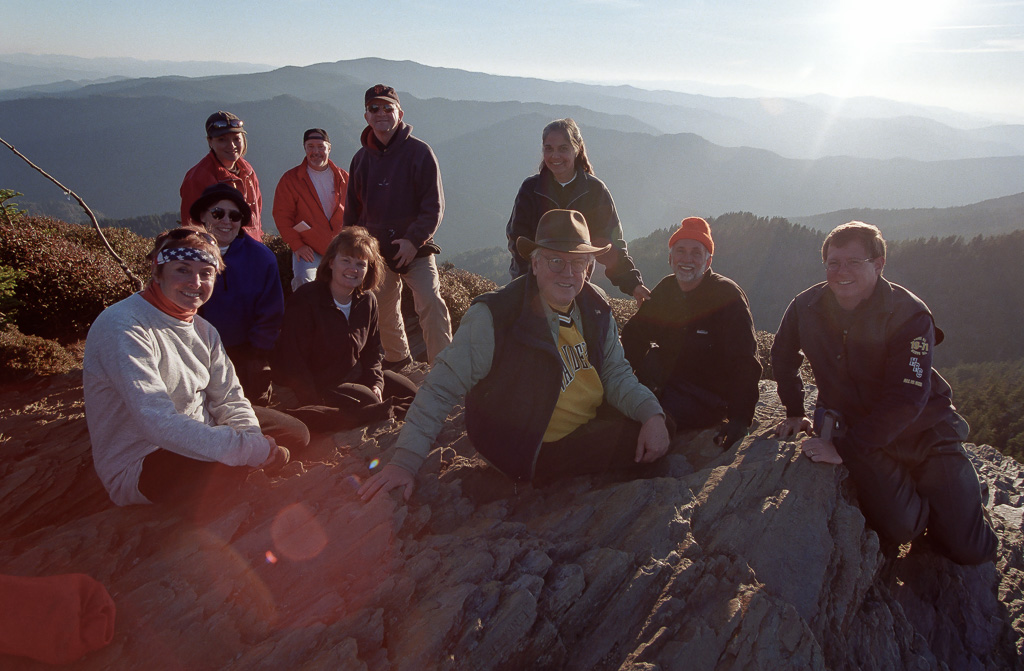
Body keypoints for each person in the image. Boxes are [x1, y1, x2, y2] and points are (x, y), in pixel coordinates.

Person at [359, 209, 671, 502]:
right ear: (535, 264)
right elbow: (440, 386)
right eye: (555, 262)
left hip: (588, 418)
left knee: (658, 418)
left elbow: (615, 373)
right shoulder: (495, 317)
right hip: (532, 447)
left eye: (577, 263)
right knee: (642, 439)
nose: (569, 273)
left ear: (589, 267)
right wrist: (404, 462)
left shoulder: (595, 305)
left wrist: (650, 414)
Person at [771, 221, 996, 565]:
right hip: (855, 428)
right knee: (901, 529)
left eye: (853, 262)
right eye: (833, 262)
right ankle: (937, 501)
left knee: (970, 549)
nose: (840, 271)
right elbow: (782, 355)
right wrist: (794, 410)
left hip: (924, 433)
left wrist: (841, 448)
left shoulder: (908, 313)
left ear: (878, 264)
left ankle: (962, 496)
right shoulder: (806, 307)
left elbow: (908, 399)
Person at [83, 228, 308, 507]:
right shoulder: (123, 326)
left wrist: (250, 440)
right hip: (145, 457)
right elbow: (156, 422)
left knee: (297, 434)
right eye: (183, 270)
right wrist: (247, 449)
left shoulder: (204, 330)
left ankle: (250, 460)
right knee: (224, 476)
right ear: (158, 272)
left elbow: (229, 397)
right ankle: (246, 466)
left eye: (206, 273)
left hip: (203, 430)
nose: (195, 282)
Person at [622, 217, 761, 449]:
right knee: (618, 406)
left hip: (704, 395)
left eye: (696, 253)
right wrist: (621, 379)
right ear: (670, 258)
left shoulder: (726, 297)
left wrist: (740, 418)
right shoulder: (667, 289)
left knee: (648, 421)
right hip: (664, 378)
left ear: (708, 261)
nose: (687, 259)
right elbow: (635, 335)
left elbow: (745, 360)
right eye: (680, 251)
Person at [343, 84, 452, 368]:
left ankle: (444, 370)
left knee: (431, 303)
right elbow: (352, 214)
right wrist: (355, 251)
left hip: (416, 249)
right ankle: (399, 362)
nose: (381, 113)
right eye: (374, 108)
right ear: (366, 116)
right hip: (375, 253)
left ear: (399, 113)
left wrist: (412, 240)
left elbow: (433, 207)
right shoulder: (360, 160)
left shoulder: (420, 153)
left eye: (387, 108)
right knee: (384, 310)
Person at [273, 226, 419, 430]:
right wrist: (314, 400)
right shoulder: (307, 299)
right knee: (369, 403)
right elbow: (292, 359)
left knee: (411, 395)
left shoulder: (367, 301)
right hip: (308, 382)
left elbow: (372, 351)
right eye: (346, 261)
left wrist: (376, 382)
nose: (353, 269)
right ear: (331, 262)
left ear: (369, 269)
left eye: (361, 263)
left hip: (348, 372)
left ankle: (374, 408)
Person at [506, 118, 650, 303]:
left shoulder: (595, 192)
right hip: (533, 289)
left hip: (573, 287)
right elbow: (518, 242)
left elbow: (611, 246)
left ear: (577, 148)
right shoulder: (530, 190)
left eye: (563, 148)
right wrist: (531, 286)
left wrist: (633, 285)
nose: (555, 156)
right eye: (548, 148)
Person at [190, 183, 285, 405]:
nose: (226, 221)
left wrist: (257, 355)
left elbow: (271, 312)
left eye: (234, 216)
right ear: (203, 215)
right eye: (217, 213)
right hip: (195, 351)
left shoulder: (261, 258)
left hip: (245, 351)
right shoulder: (187, 254)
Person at [273, 128, 349, 290]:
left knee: (346, 287)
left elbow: (358, 212)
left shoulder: (344, 178)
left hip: (340, 247)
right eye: (310, 146)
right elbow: (282, 215)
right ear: (305, 148)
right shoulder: (291, 179)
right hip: (308, 248)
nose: (316, 151)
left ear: (329, 148)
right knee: (303, 282)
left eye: (320, 146)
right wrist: (297, 245)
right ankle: (304, 316)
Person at [180, 111, 263, 240]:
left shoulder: (247, 171)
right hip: (220, 253)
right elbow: (192, 227)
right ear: (210, 142)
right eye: (222, 140)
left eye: (236, 139)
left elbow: (256, 217)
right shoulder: (198, 178)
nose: (232, 145)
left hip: (250, 249)